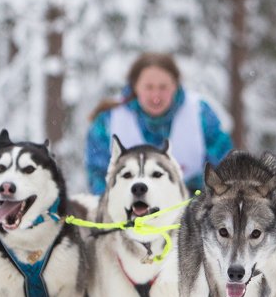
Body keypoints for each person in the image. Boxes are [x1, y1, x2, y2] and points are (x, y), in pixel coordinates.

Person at [84, 52, 234, 194]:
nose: (156, 96)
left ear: (175, 85)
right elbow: (98, 175)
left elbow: (224, 167)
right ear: (135, 86)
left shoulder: (200, 113)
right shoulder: (109, 120)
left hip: (190, 211)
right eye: (149, 87)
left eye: (163, 87)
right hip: (130, 213)